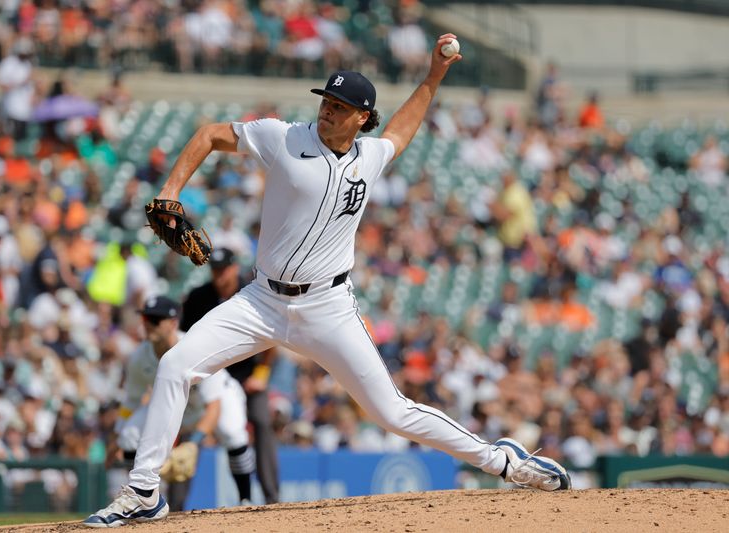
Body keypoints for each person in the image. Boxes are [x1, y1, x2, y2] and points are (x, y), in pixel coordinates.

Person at [84, 34, 570, 528]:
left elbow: (401, 131)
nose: (328, 111)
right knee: (175, 365)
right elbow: (210, 134)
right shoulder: (284, 137)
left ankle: (504, 461)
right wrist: (170, 191)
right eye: (326, 101)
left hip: (327, 308)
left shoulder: (369, 157)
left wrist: (433, 77)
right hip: (260, 301)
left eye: (341, 106)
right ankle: (144, 490)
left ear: (362, 117)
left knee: (392, 413)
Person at [109, 296, 256, 515]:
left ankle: (246, 499)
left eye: (155, 319)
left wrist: (193, 444)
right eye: (145, 318)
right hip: (179, 404)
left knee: (233, 434)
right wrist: (117, 435)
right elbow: (131, 401)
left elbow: (214, 407)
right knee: (129, 435)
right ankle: (142, 497)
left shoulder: (194, 346)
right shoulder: (140, 357)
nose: (148, 324)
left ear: (173, 323)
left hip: (219, 398)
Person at [180, 247, 280, 504]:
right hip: (209, 375)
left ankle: (271, 497)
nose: (218, 275)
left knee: (261, 421)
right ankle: (176, 504)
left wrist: (262, 373)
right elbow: (182, 339)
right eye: (214, 270)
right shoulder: (198, 297)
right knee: (192, 430)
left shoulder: (251, 292)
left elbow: (274, 336)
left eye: (223, 269)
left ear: (234, 268)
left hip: (247, 374)